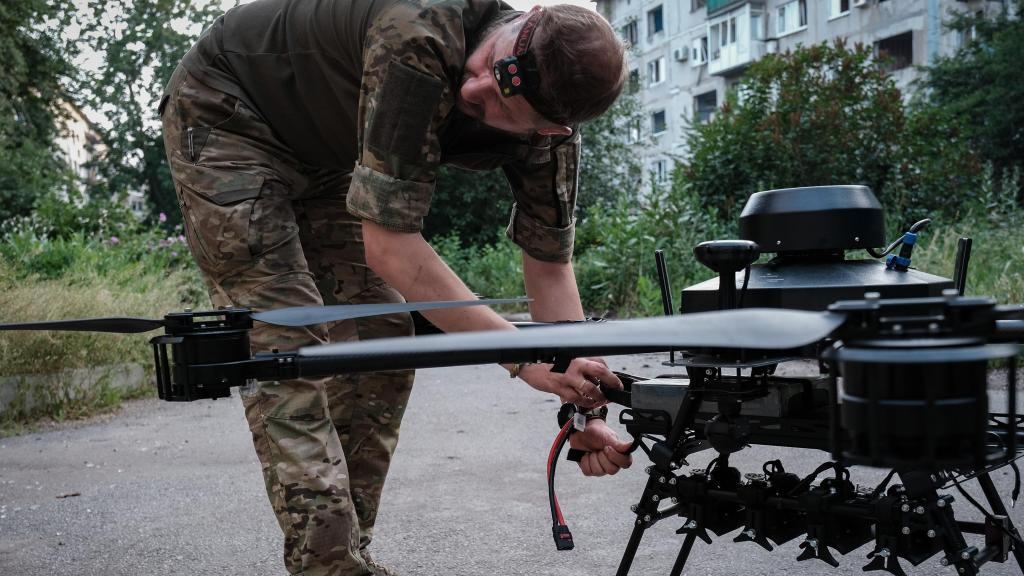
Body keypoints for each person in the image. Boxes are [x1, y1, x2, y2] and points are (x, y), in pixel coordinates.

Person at [159, 0, 632, 574]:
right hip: (228, 114)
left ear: (547, 129)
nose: (472, 86)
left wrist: (580, 408)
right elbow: (391, 247)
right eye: (485, 63)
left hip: (329, 158)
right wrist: (524, 358)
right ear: (517, 19)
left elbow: (550, 268)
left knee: (382, 338)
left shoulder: (552, 139)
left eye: (494, 103)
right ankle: (330, 567)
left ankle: (346, 554)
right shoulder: (421, 35)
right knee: (287, 347)